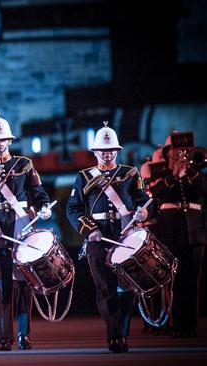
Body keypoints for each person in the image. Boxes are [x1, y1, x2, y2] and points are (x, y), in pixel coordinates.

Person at [0, 113, 52, 351]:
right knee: (2, 285)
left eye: (3, 139)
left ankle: (24, 333)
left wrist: (45, 208)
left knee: (24, 284)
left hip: (23, 228)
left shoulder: (24, 164)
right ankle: (5, 335)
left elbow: (39, 194)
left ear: (10, 141)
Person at [66, 121, 149, 353]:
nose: (107, 153)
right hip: (98, 238)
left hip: (125, 237)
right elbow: (73, 209)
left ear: (117, 151)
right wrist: (89, 229)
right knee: (106, 289)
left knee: (128, 289)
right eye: (102, 150)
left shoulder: (130, 173)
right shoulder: (83, 177)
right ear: (95, 152)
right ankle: (114, 336)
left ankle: (122, 333)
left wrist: (144, 211)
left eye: (111, 149)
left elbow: (143, 200)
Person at [150, 132, 206, 338]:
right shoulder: (160, 171)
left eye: (185, 149)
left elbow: (204, 189)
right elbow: (155, 194)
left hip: (193, 227)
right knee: (173, 278)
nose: (181, 152)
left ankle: (190, 324)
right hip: (170, 228)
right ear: (167, 152)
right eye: (175, 149)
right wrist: (173, 175)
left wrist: (190, 170)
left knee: (193, 279)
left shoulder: (196, 171)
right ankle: (175, 323)